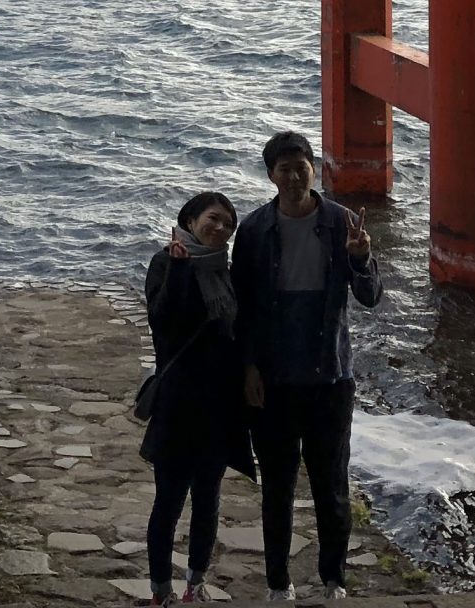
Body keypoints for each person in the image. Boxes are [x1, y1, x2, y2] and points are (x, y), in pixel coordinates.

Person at [232, 129, 380, 600]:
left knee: (331, 484)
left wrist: (361, 258)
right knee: (277, 487)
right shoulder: (255, 230)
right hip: (273, 380)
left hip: (330, 376)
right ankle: (279, 582)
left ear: (314, 168)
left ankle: (334, 578)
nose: (294, 176)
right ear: (271, 176)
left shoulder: (341, 223)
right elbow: (244, 309)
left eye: (302, 167)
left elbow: (371, 297)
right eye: (284, 169)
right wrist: (248, 369)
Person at [141, 188, 255, 604]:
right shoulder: (165, 261)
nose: (220, 228)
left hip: (220, 404)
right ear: (190, 220)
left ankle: (195, 583)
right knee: (169, 501)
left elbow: (238, 330)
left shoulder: (226, 269)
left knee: (208, 498)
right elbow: (163, 321)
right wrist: (177, 269)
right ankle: (160, 590)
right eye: (213, 218)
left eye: (228, 224)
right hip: (179, 402)